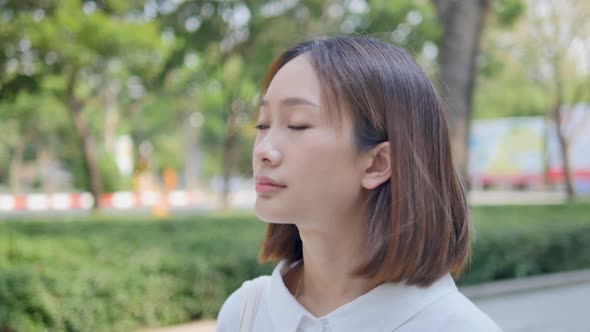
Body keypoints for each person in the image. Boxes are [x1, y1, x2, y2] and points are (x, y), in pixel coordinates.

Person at [216, 36, 502, 332]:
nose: (263, 150)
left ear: (378, 163)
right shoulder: (244, 314)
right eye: (262, 125)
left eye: (297, 124)